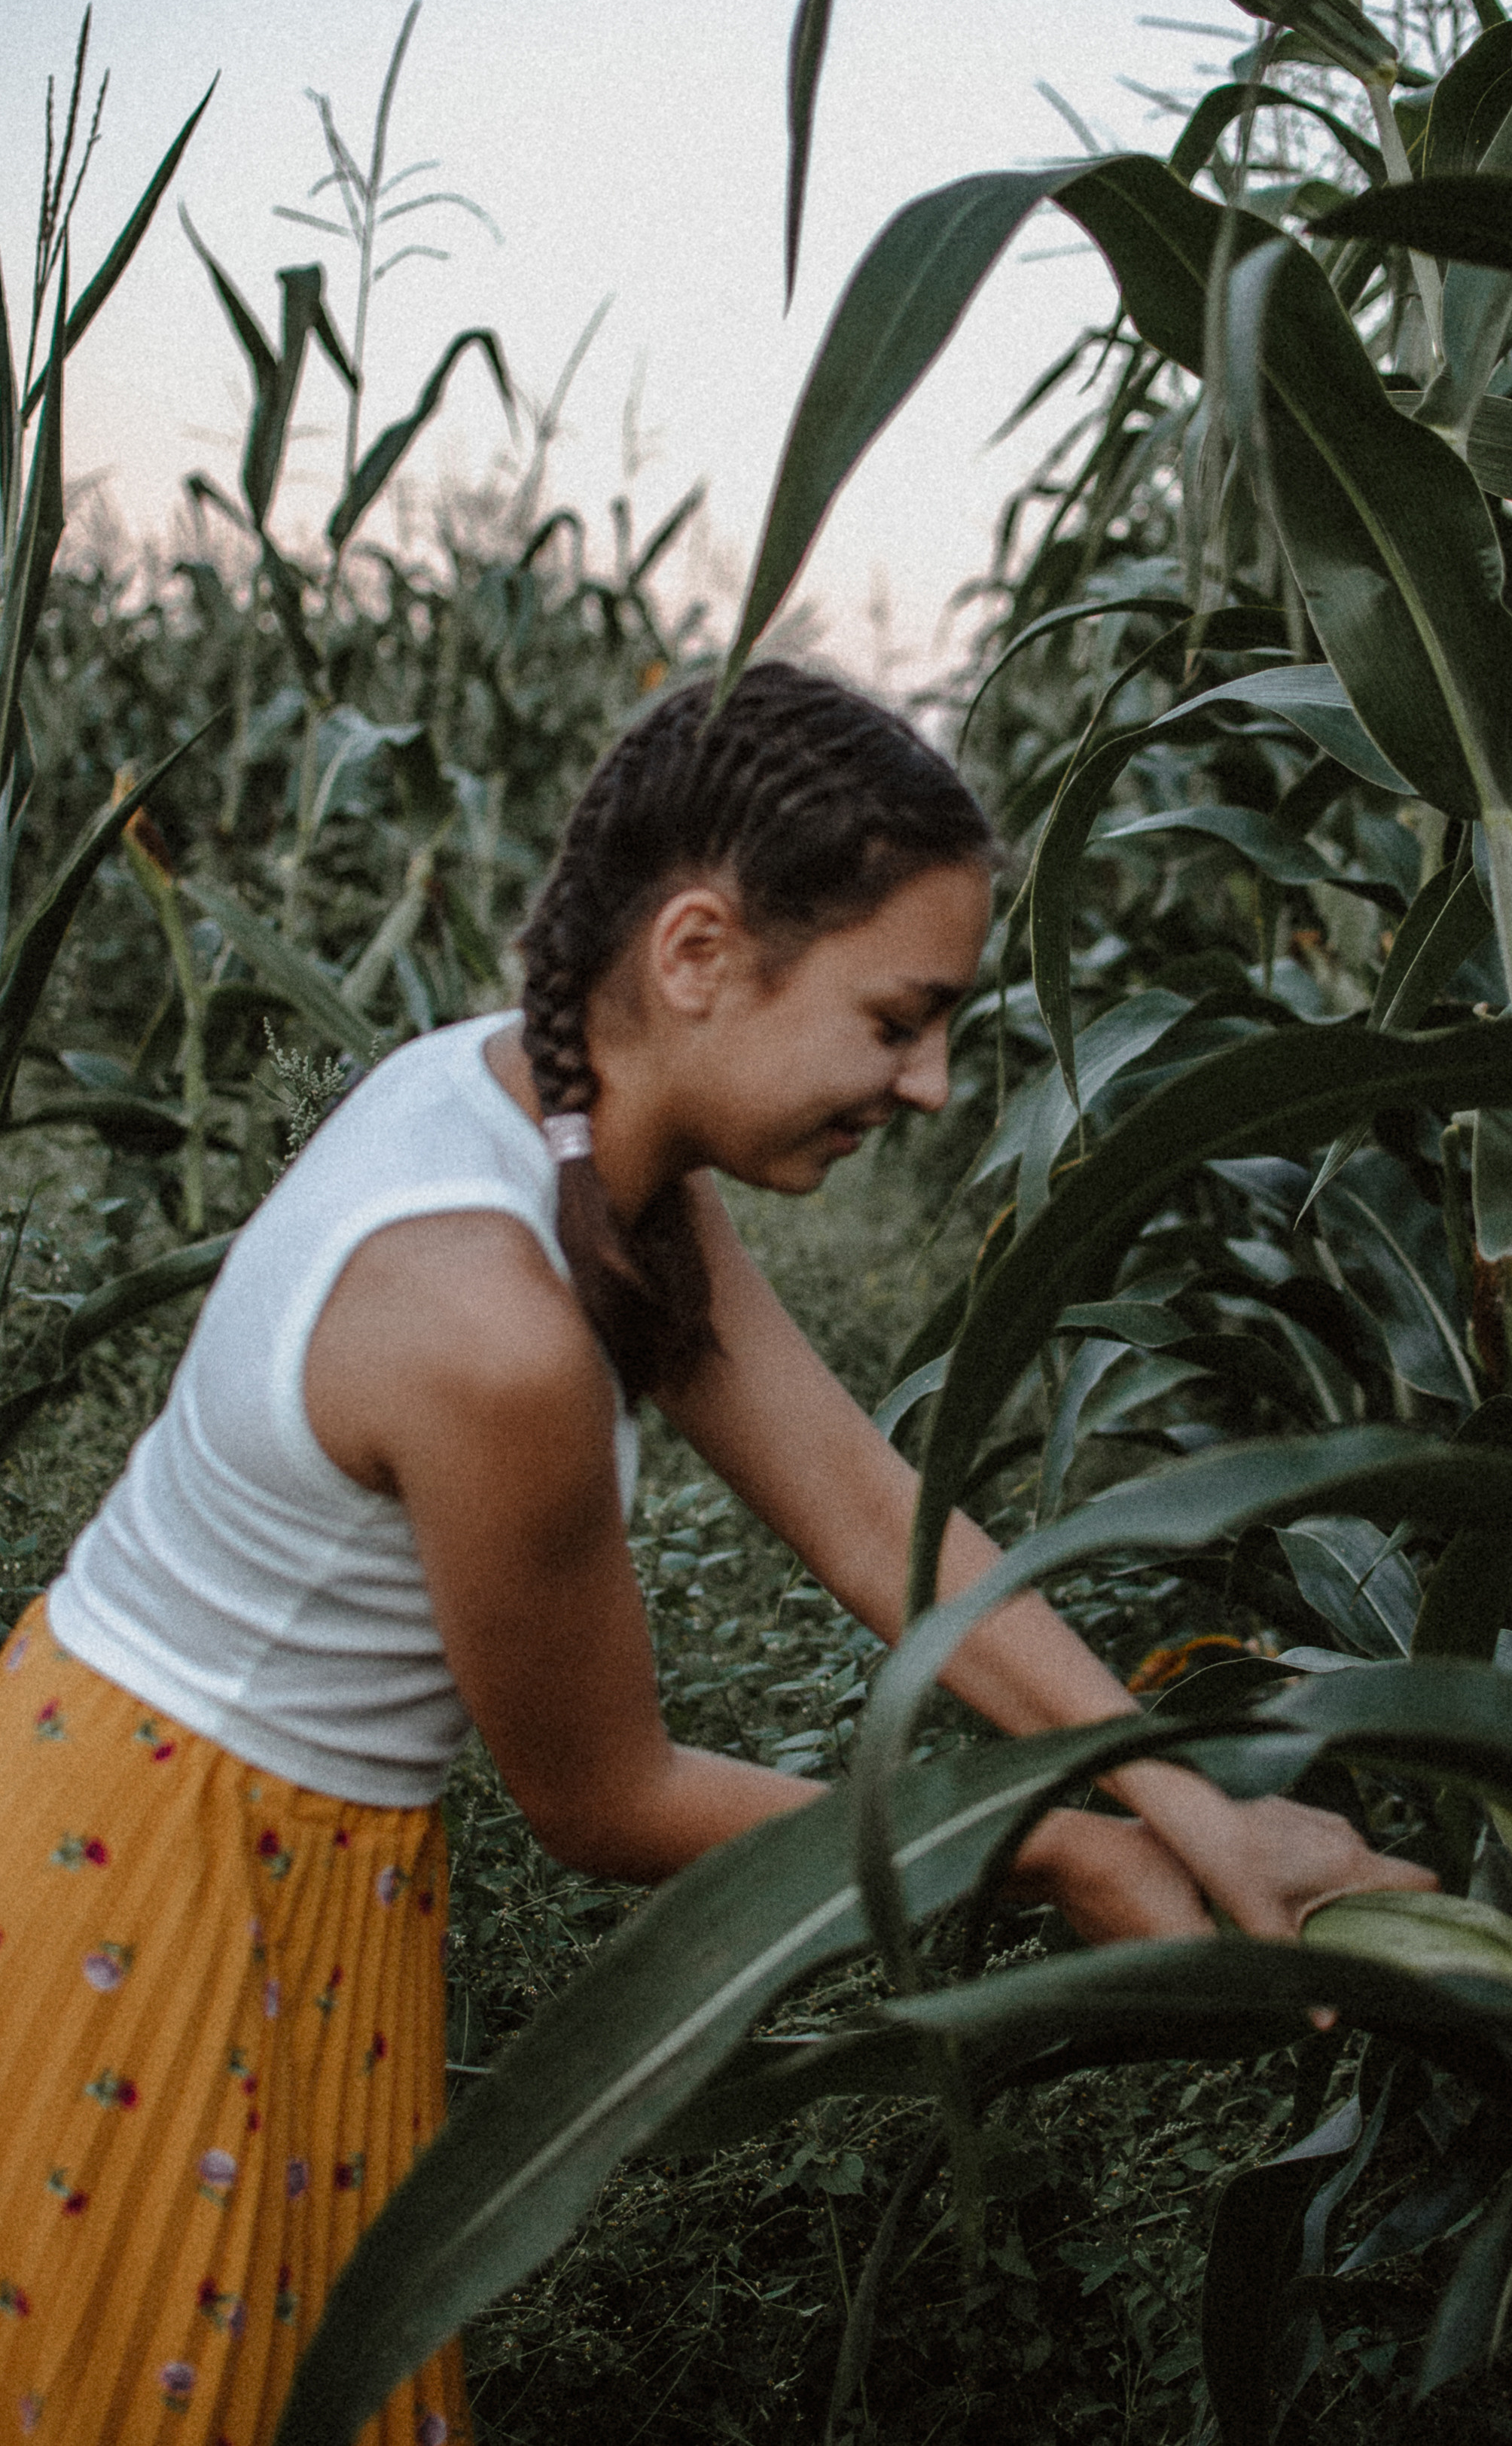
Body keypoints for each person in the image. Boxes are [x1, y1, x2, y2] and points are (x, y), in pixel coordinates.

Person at [0, 665, 1430, 2443]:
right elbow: (607, 1799)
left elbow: (862, 1503)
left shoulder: (558, 1115)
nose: (932, 1085)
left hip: (203, 1822)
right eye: (898, 1019)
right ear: (696, 952)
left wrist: (1188, 1805)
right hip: (172, 1879)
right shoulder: (491, 1330)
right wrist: (1065, 1848)